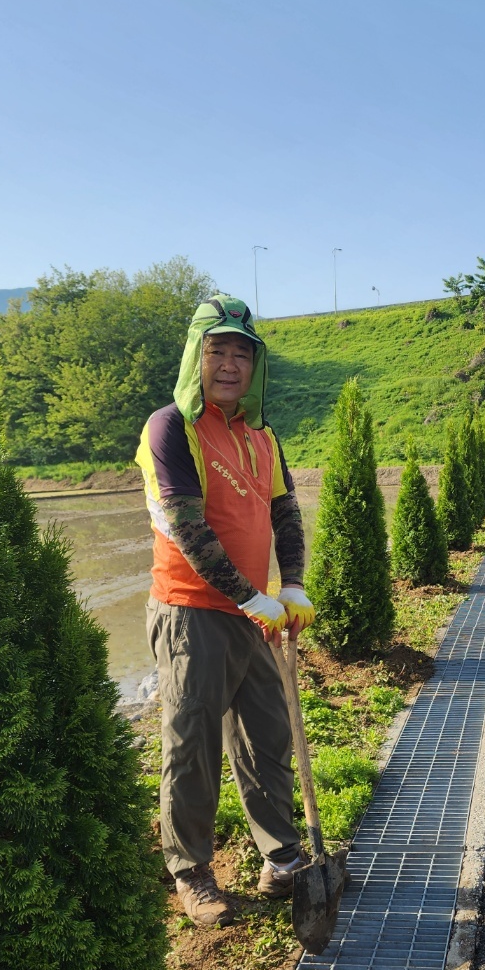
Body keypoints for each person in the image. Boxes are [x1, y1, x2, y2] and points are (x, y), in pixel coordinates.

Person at [136, 295, 315, 929]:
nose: (231, 364)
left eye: (243, 352)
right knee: (192, 746)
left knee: (267, 736)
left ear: (256, 365)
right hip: (191, 613)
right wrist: (251, 596)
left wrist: (292, 585)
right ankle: (191, 871)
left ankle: (282, 857)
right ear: (196, 357)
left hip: (254, 613)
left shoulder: (262, 434)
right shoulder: (170, 428)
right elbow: (186, 527)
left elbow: (285, 512)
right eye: (217, 350)